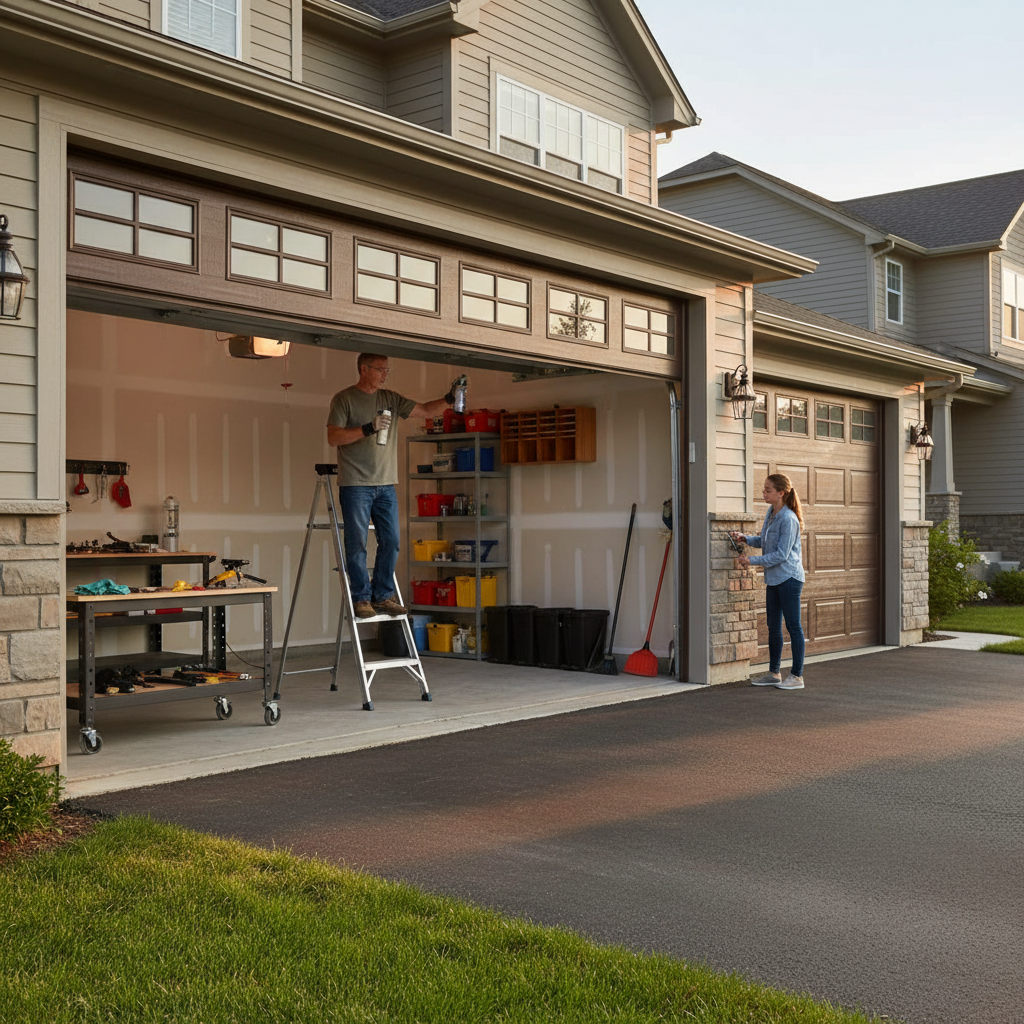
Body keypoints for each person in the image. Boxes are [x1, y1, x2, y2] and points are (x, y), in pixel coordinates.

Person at [327, 354, 460, 619]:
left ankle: (383, 595)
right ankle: (362, 598)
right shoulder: (344, 399)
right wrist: (368, 428)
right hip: (356, 485)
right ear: (364, 370)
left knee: (392, 542)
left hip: (386, 484)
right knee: (357, 544)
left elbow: (423, 410)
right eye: (380, 369)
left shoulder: (390, 398)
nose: (385, 374)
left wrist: (449, 399)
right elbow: (333, 437)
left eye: (387, 369)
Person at [730, 473, 806, 690]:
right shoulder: (770, 513)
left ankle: (797, 676)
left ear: (781, 493)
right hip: (774, 579)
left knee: (793, 627)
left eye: (768, 490)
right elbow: (765, 542)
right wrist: (745, 538)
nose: (763, 493)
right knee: (773, 626)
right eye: (764, 489)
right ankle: (774, 673)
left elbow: (781, 554)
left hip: (789, 578)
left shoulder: (789, 519)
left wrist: (750, 560)